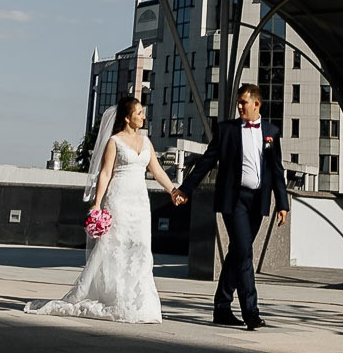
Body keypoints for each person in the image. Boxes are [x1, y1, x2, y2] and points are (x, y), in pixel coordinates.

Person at [25, 94, 185, 323]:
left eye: (142, 112)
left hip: (139, 201)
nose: (143, 116)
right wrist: (97, 203)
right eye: (139, 113)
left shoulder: (146, 142)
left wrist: (173, 191)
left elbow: (157, 171)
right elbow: (106, 173)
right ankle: (113, 295)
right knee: (114, 245)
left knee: (140, 246)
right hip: (118, 197)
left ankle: (139, 301)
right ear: (128, 118)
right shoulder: (115, 141)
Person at [178, 84, 287, 329]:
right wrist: (186, 189)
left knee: (237, 252)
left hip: (258, 201)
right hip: (234, 200)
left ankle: (222, 307)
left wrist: (282, 203)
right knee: (245, 253)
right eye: (238, 103)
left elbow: (276, 169)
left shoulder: (271, 132)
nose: (239, 107)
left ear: (256, 104)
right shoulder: (226, 130)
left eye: (243, 103)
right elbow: (206, 162)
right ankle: (251, 312)